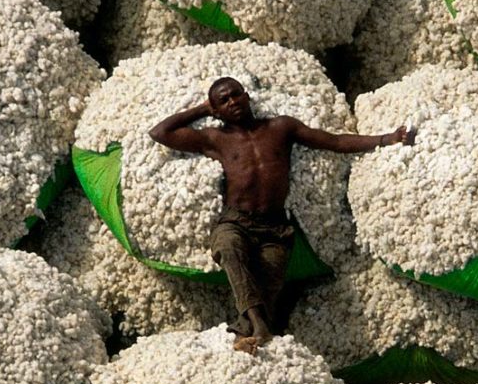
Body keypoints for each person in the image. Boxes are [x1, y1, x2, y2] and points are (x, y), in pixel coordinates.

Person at [151, 75, 412, 352]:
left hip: (275, 228)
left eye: (236, 94)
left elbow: (334, 141)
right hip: (235, 222)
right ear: (217, 110)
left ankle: (245, 336)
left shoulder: (280, 128)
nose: (232, 102)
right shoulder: (215, 139)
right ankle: (259, 329)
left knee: (266, 294)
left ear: (247, 96)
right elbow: (160, 133)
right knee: (228, 246)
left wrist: (386, 139)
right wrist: (203, 108)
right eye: (224, 101)